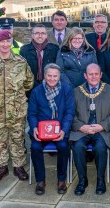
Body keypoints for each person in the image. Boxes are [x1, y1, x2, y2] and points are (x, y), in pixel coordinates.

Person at [0, 29, 34, 183]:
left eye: (8, 41)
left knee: (18, 138)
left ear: (11, 43)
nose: (5, 44)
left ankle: (18, 166)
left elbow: (29, 82)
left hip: (16, 109)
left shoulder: (20, 62)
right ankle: (1, 167)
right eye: (2, 41)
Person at [28, 63, 75, 195]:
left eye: (55, 76)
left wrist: (64, 130)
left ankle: (61, 180)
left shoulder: (67, 89)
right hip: (41, 130)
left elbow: (69, 113)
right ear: (44, 75)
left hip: (60, 130)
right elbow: (31, 113)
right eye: (49, 76)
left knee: (63, 147)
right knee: (35, 148)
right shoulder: (37, 91)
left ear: (59, 77)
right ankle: (40, 181)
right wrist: (34, 128)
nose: (52, 79)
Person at [70, 63, 110, 196]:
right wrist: (80, 126)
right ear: (85, 75)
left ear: (101, 75)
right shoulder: (76, 91)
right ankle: (82, 180)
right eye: (90, 74)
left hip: (102, 129)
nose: (94, 77)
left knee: (100, 148)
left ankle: (100, 181)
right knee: (77, 147)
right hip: (82, 129)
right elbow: (70, 114)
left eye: (96, 74)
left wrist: (102, 126)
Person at [20, 24, 59, 97]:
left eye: (43, 33)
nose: (40, 36)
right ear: (32, 35)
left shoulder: (54, 49)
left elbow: (57, 69)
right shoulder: (24, 50)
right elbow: (23, 71)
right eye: (37, 33)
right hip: (30, 89)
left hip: (50, 87)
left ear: (46, 35)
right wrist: (37, 87)